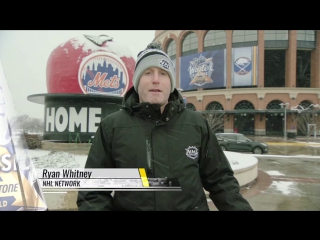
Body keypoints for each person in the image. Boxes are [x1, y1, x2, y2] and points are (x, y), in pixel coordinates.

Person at [76, 42, 253, 211]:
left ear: (171, 82)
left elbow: (221, 180)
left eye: (163, 73)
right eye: (148, 73)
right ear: (137, 82)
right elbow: (93, 192)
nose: (155, 80)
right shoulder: (112, 127)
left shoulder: (196, 124)